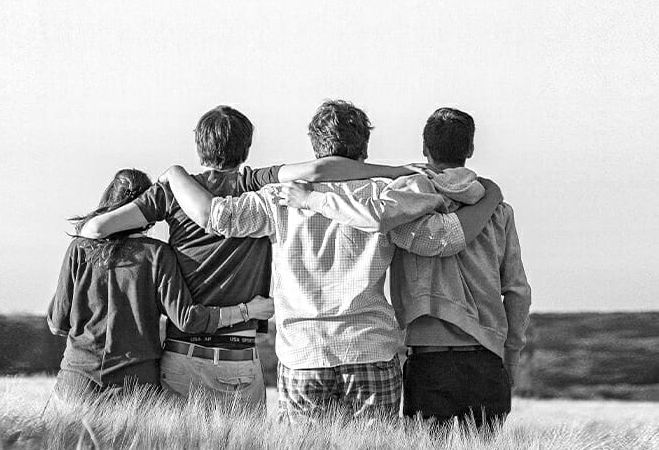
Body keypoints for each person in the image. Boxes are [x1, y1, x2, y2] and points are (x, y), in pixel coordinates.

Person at [162, 99, 501, 420]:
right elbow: (440, 240)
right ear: (364, 147)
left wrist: (174, 174)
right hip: (369, 349)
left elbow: (216, 217)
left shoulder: (280, 197)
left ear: (316, 146)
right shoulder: (385, 195)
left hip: (302, 354)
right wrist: (489, 199)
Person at [74, 105, 401, 408]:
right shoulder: (256, 183)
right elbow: (317, 170)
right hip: (240, 358)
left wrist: (166, 188)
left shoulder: (172, 191)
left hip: (182, 353)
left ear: (199, 146)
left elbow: (96, 228)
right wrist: (396, 170)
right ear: (246, 149)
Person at [287, 108, 530, 430]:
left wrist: (314, 199)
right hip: (486, 358)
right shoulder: (499, 211)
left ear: (425, 148)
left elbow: (375, 218)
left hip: (429, 358)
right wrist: (510, 357)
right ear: (470, 149)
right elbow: (516, 291)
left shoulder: (405, 203)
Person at [47, 168, 273, 401]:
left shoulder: (79, 249)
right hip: (135, 385)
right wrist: (247, 311)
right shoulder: (157, 255)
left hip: (77, 380)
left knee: (65, 439)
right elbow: (188, 320)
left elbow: (57, 323)